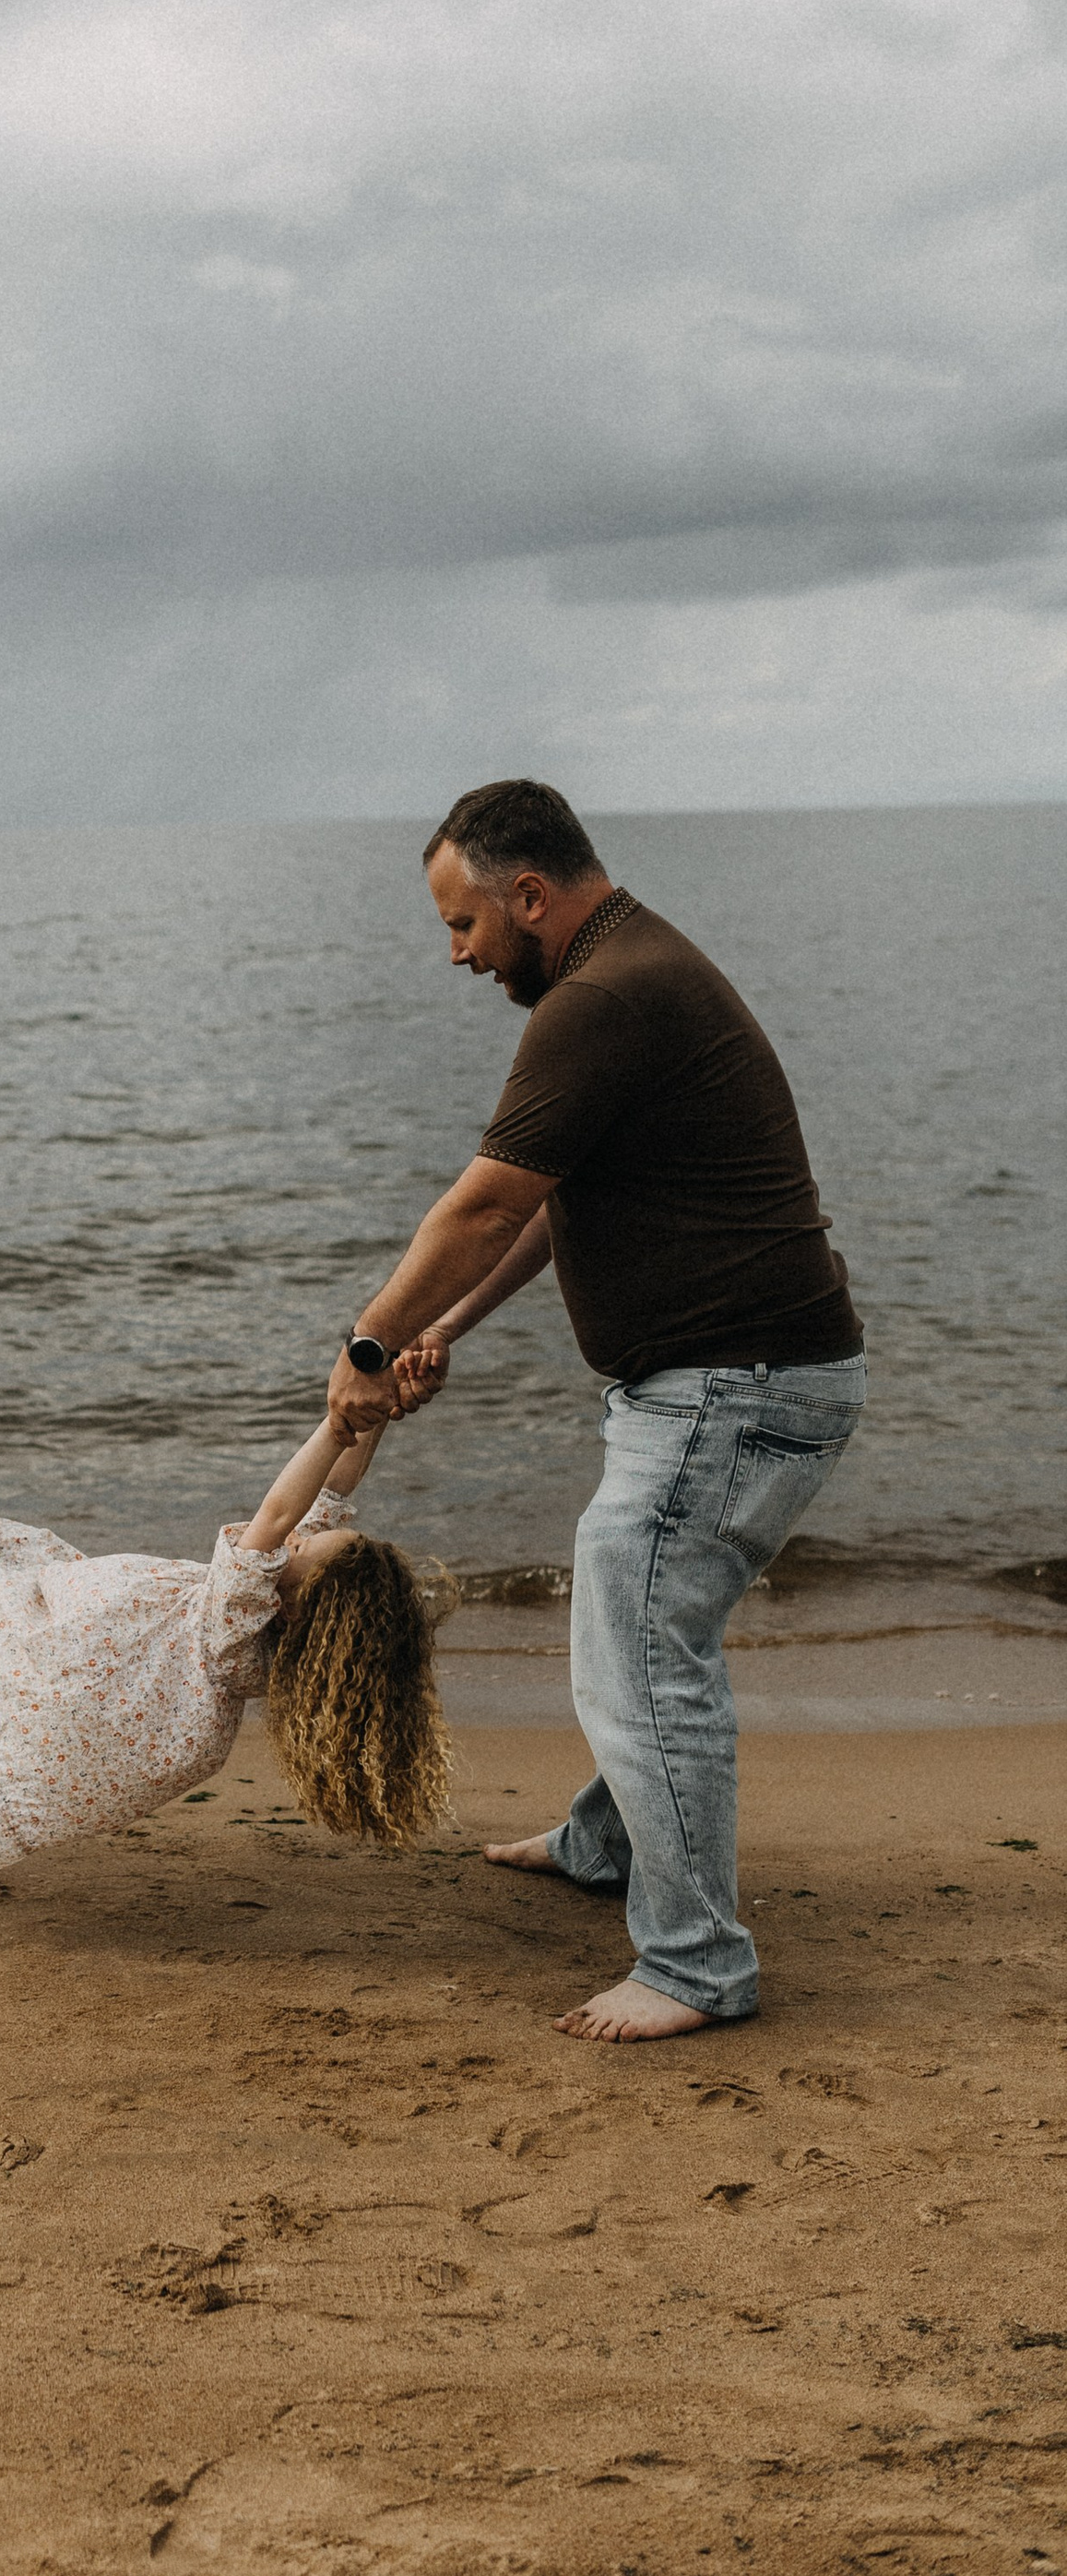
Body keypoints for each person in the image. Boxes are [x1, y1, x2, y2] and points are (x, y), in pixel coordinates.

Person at [326, 779, 866, 2043]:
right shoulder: (628, 976)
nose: (457, 955)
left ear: (528, 896)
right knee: (647, 1623)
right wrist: (445, 1329)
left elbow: (476, 1204)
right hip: (738, 1381)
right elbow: (548, 1205)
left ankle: (693, 1966)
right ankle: (603, 1841)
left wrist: (371, 1339)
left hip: (737, 1385)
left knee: (635, 1639)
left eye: (463, 924)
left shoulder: (604, 997)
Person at [0, 1298, 455, 1871]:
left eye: (304, 1548)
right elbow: (335, 1486)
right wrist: (383, 1395)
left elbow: (280, 1511)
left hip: (19, 1636)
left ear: (298, 1610)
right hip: (47, 1593)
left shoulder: (236, 1625)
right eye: (310, 1535)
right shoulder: (274, 1612)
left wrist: (338, 1424)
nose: (297, 1535)